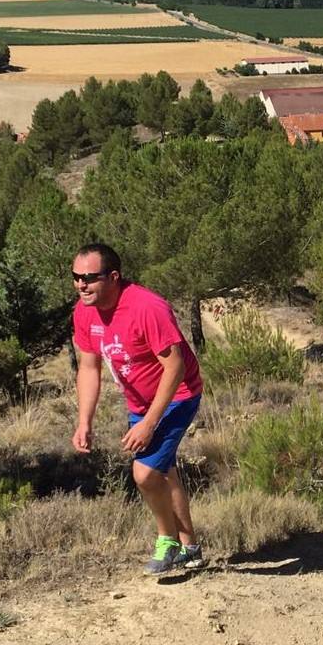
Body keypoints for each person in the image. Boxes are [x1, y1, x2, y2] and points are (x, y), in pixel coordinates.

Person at [70, 243, 206, 576]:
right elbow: (89, 368)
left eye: (89, 278)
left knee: (145, 474)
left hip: (178, 394)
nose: (81, 285)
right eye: (75, 277)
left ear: (113, 276)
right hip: (140, 401)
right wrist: (84, 421)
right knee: (165, 473)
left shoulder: (147, 307)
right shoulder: (84, 311)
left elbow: (174, 367)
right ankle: (191, 549)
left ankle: (168, 540)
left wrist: (149, 422)